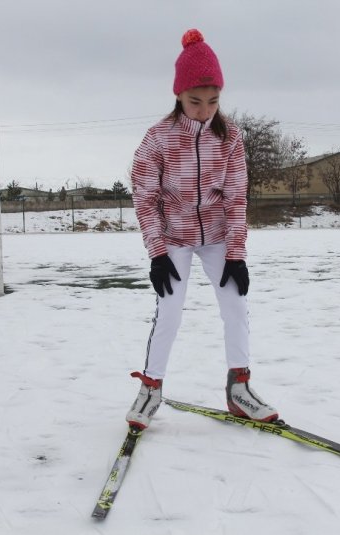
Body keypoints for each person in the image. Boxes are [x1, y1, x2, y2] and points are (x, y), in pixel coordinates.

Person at [126, 29, 278, 430]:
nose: (204, 110)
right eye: (195, 101)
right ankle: (151, 388)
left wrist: (237, 254)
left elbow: (236, 197)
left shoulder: (229, 137)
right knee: (170, 311)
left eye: (213, 101)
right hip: (173, 236)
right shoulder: (158, 138)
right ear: (178, 95)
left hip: (217, 236)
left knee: (235, 305)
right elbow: (144, 196)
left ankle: (239, 387)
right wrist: (157, 252)